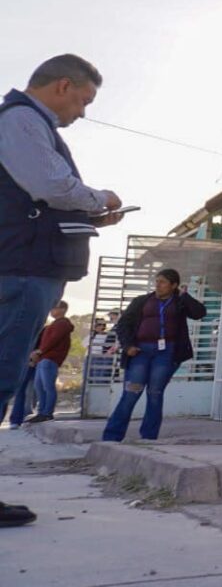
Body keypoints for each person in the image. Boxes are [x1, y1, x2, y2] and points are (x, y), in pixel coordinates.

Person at [0, 54, 124, 528]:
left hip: (27, 267)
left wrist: (90, 214)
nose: (83, 112)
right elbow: (49, 185)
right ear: (63, 86)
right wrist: (100, 198)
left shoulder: (28, 124)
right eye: (83, 100)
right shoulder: (22, 120)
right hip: (20, 270)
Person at [101, 269, 207, 442]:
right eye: (157, 281)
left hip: (166, 353)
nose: (158, 285)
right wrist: (127, 346)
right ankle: (112, 437)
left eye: (163, 282)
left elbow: (199, 313)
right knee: (131, 392)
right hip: (140, 352)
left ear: (173, 285)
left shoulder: (179, 302)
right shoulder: (142, 301)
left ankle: (148, 437)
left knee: (155, 392)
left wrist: (185, 296)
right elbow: (123, 325)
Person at [24, 300, 74, 422]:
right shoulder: (54, 324)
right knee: (39, 386)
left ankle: (47, 412)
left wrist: (40, 351)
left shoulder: (62, 324)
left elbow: (53, 340)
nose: (51, 311)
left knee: (48, 386)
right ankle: (41, 412)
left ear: (62, 309)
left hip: (50, 358)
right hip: (43, 358)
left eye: (54, 308)